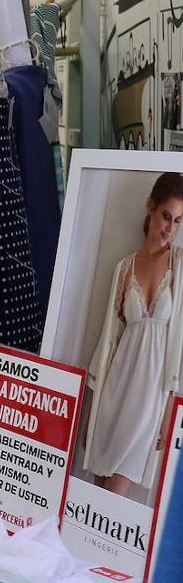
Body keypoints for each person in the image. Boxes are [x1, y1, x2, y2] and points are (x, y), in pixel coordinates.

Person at [85, 173, 183, 497]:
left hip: (151, 396)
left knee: (113, 495)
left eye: (178, 221)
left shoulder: (180, 268)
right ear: (150, 209)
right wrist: (93, 409)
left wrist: (170, 408)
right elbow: (108, 339)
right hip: (116, 387)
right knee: (97, 496)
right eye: (166, 216)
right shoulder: (125, 267)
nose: (170, 228)